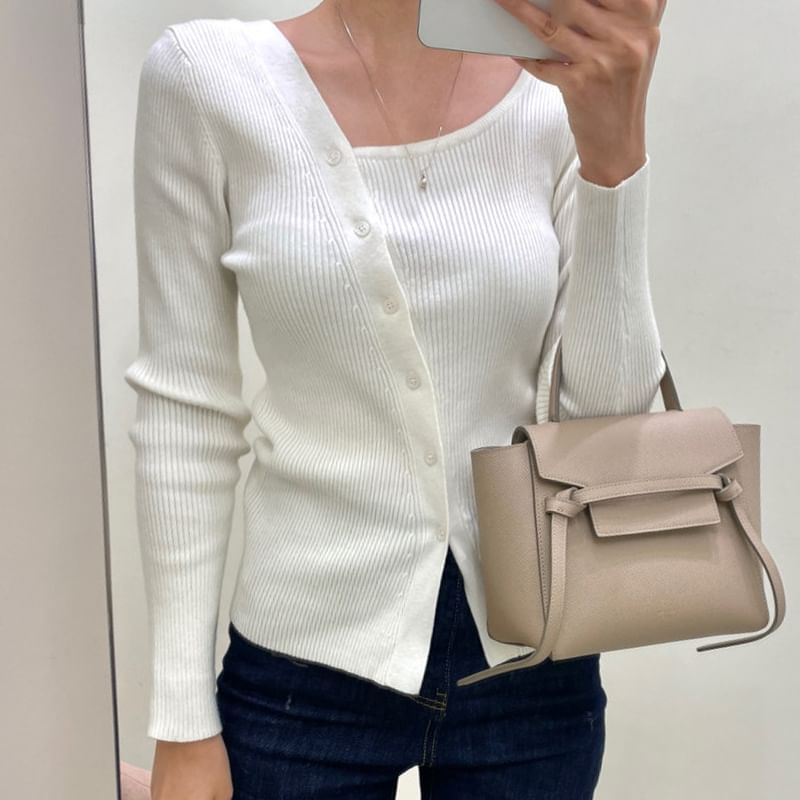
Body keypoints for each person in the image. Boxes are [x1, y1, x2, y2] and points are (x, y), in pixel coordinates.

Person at [124, 0, 667, 797]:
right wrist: (181, 719)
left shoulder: (555, 91)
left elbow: (606, 426)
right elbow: (185, 406)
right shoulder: (208, 79)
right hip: (299, 674)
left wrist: (614, 151)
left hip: (532, 670)